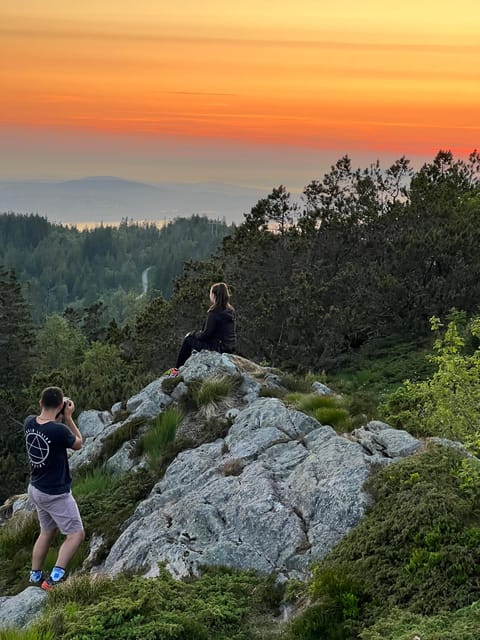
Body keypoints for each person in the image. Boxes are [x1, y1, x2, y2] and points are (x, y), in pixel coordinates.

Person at [24, 386, 85, 591]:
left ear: (40, 403)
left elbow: (47, 430)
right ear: (60, 405)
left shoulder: (29, 422)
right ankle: (55, 578)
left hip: (36, 489)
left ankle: (34, 575)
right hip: (55, 493)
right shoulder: (59, 430)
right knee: (76, 535)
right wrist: (68, 417)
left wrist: (59, 414)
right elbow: (78, 444)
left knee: (47, 531)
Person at [174, 282, 236, 370]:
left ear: (214, 295)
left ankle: (177, 369)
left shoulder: (214, 313)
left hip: (216, 349)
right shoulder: (231, 310)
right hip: (229, 347)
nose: (209, 295)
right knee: (193, 338)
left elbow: (205, 335)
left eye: (210, 293)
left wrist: (194, 334)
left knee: (188, 339)